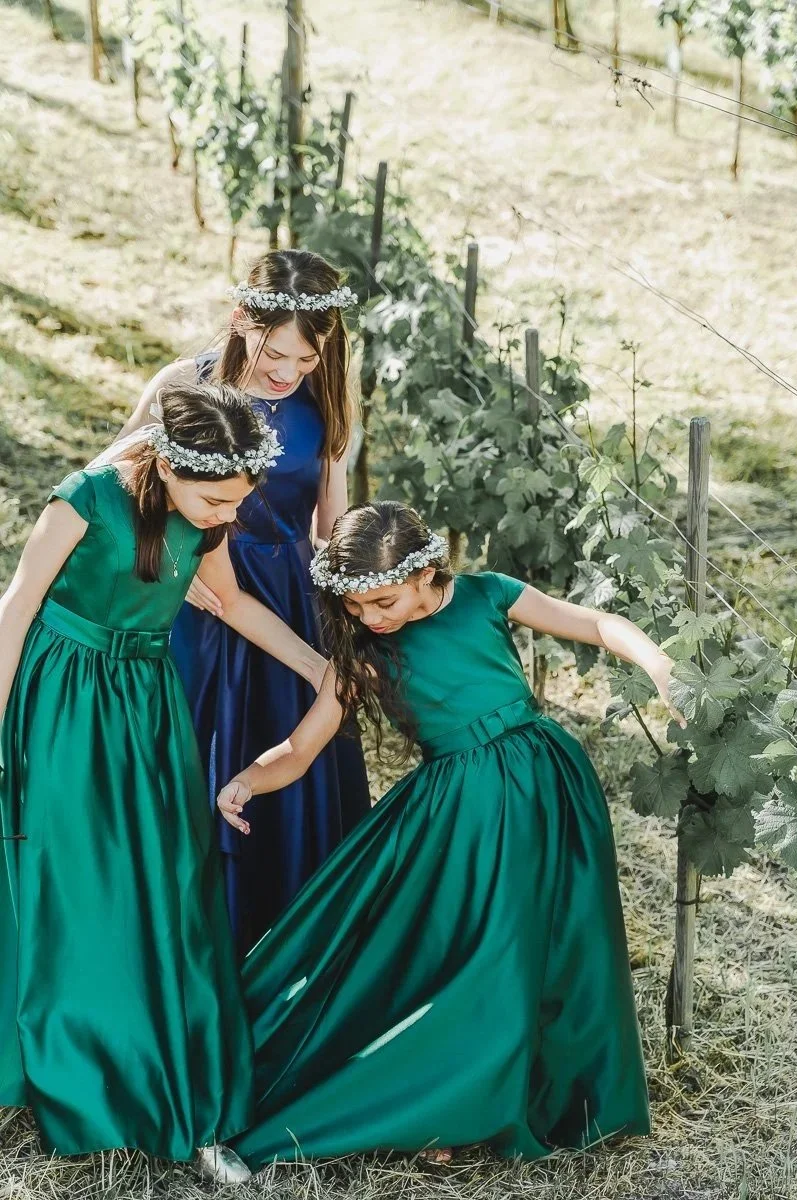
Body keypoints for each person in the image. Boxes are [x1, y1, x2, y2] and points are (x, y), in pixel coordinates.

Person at [215, 500, 685, 1170]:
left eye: (383, 601)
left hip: (548, 784)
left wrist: (660, 667)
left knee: (561, 939)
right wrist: (248, 781)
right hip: (463, 811)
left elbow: (600, 624)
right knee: (483, 958)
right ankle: (452, 1105)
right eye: (355, 606)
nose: (370, 618)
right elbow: (301, 746)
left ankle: (554, 1096)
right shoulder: (363, 656)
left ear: (427, 571)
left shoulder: (486, 595)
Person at [0, 381, 327, 1182]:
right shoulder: (84, 499)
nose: (225, 514)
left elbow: (230, 602)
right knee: (75, 879)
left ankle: (171, 1078)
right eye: (214, 498)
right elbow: (15, 608)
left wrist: (324, 671)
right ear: (166, 464)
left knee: (168, 885)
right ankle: (77, 1064)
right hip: (64, 699)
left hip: (146, 707)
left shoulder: (205, 516)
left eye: (236, 500)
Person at [116, 250, 371, 951]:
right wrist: (168, 549)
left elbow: (332, 528)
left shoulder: (325, 409)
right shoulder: (182, 383)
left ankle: (276, 948)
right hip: (194, 598)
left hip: (285, 601)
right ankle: (181, 944)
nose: (286, 372)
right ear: (239, 319)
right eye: (273, 350)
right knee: (190, 760)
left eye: (306, 359)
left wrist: (361, 619)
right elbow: (109, 479)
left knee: (283, 774)